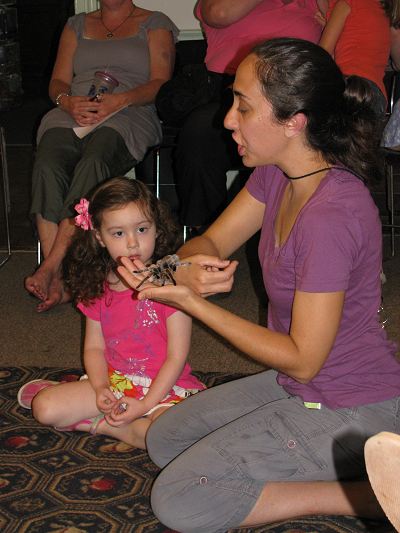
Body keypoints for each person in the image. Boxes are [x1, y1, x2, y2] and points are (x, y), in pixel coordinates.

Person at [117, 38, 400, 531]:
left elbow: (302, 356)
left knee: (181, 498)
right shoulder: (277, 174)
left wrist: (194, 302)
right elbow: (209, 241)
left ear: (294, 122)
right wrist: (174, 271)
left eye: (243, 107)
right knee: (165, 438)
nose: (228, 120)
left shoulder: (331, 215)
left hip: (351, 402)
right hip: (302, 386)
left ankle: (363, 494)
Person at [18, 177, 205, 449]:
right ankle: (118, 424)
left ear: (157, 229)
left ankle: (108, 425)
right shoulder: (98, 287)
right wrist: (100, 387)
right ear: (99, 237)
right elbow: (94, 349)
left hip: (164, 392)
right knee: (44, 408)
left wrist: (145, 405)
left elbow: (176, 357)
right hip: (116, 382)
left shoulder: (172, 285)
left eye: (142, 229)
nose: (132, 243)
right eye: (118, 233)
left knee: (175, 438)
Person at [25, 0, 178, 312]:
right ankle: (63, 277)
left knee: (94, 161)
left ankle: (57, 271)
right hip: (73, 112)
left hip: (129, 113)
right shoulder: (76, 25)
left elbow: (160, 84)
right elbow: (57, 82)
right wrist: (68, 103)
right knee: (47, 162)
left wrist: (119, 101)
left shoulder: (155, 22)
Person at [167, 0, 325, 232]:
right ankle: (205, 231)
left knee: (299, 132)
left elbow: (340, 17)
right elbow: (218, 13)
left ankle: (297, 227)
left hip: (295, 93)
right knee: (200, 133)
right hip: (229, 90)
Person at [318, 0, 399, 116]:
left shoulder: (347, 3)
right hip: (377, 94)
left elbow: (323, 52)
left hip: (351, 86)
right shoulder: (385, 9)